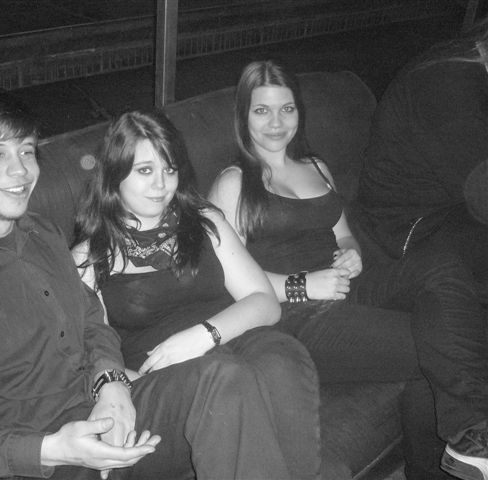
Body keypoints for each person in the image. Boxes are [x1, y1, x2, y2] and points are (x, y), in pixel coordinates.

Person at [0, 86, 292, 480]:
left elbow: (91, 321)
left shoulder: (41, 233)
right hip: (44, 457)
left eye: (26, 150)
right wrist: (51, 449)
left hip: (111, 411)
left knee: (224, 377)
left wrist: (111, 383)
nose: (21, 170)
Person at [208, 60, 488, 480]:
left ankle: (469, 440)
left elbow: (343, 235)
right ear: (243, 116)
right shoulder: (233, 184)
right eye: (261, 110)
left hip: (344, 289)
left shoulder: (316, 168)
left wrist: (351, 253)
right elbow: (230, 282)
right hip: (294, 317)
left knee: (441, 266)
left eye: (287, 109)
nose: (276, 122)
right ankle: (469, 440)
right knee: (435, 346)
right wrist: (305, 285)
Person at [72, 109, 321, 480]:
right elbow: (93, 356)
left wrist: (202, 336)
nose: (161, 184)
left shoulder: (204, 220)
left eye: (170, 169)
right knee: (228, 376)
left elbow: (264, 301)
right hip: (167, 378)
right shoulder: (88, 259)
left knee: (281, 359)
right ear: (114, 174)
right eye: (145, 170)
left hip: (234, 339)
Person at [357, 16, 488, 289]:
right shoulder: (449, 81)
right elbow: (482, 195)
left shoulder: (471, 64)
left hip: (448, 212)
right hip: (407, 226)